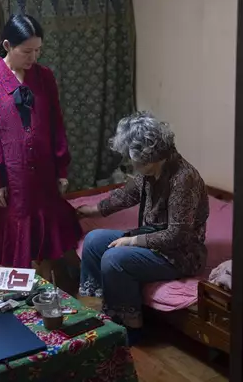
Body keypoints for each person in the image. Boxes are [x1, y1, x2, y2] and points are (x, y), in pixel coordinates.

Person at [77, 111, 210, 345]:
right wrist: (92, 209)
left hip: (179, 254)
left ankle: (132, 327)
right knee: (94, 240)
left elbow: (177, 234)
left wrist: (132, 241)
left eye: (136, 161)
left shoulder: (183, 179)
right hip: (153, 239)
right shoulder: (150, 172)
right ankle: (108, 310)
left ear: (151, 155)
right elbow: (126, 195)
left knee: (114, 258)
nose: (134, 166)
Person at [0, 14, 82, 280]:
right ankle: (17, 296)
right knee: (16, 228)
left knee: (48, 235)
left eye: (38, 50)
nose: (33, 57)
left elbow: (56, 123)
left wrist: (61, 168)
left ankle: (51, 290)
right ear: (8, 46)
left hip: (45, 170)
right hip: (12, 175)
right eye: (27, 51)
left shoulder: (44, 77)